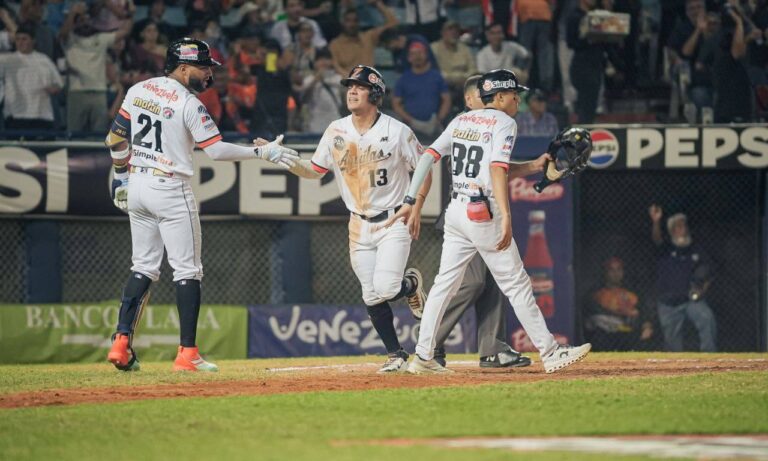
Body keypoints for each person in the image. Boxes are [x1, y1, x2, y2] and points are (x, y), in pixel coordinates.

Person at [105, 38, 300, 372]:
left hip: (137, 183)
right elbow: (216, 150)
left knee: (143, 267)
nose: (209, 73)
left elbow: (114, 139)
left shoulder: (138, 90)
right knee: (187, 270)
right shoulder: (188, 103)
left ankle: (121, 344)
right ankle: (187, 353)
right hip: (170, 186)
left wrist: (121, 177)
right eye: (204, 67)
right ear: (183, 67)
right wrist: (261, 153)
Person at [383, 69, 592, 374]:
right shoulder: (505, 122)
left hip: (457, 211)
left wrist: (411, 198)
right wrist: (507, 216)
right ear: (500, 96)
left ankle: (424, 356)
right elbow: (496, 170)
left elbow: (428, 156)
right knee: (517, 284)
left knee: (444, 285)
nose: (518, 100)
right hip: (484, 214)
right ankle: (550, 353)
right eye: (514, 94)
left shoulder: (462, 119)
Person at [280, 65, 430, 373]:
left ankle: (411, 285)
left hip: (393, 220)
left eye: (360, 87)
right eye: (350, 86)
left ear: (375, 94)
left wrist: (414, 205)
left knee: (388, 288)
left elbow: (425, 166)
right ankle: (396, 354)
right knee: (370, 292)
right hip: (358, 223)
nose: (351, 90)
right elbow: (314, 170)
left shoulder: (397, 130)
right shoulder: (336, 130)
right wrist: (286, 159)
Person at [426, 75, 535, 369]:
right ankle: (429, 338)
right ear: (470, 100)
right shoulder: (465, 124)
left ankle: (492, 348)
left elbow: (495, 170)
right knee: (473, 282)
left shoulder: (485, 123)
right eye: (478, 97)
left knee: (494, 283)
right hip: (467, 214)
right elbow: (490, 171)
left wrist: (535, 165)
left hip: (479, 212)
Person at [649, 204, 716, 352]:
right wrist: (656, 221)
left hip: (690, 301)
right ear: (672, 231)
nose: (682, 229)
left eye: (684, 225)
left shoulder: (695, 249)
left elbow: (710, 271)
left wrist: (703, 289)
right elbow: (656, 238)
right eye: (678, 226)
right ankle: (676, 369)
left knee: (706, 317)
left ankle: (710, 359)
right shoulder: (665, 248)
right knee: (672, 344)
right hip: (668, 303)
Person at [0, 24, 63, 131]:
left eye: (24, 39)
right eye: (18, 39)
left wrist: (54, 89)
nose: (20, 42)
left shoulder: (44, 60)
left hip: (41, 115)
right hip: (15, 115)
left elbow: (58, 83)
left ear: (33, 40)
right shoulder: (6, 60)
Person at [584, 257, 654, 351]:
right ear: (605, 272)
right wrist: (622, 312)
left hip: (628, 333)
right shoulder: (597, 293)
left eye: (619, 269)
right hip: (607, 333)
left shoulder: (632, 292)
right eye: (611, 270)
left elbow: (643, 312)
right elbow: (594, 315)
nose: (616, 273)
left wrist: (647, 326)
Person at [392, 41, 451, 139]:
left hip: (434, 127)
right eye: (413, 54)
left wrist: (439, 119)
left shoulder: (436, 76)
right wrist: (411, 121)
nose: (417, 56)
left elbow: (446, 99)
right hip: (411, 129)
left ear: (426, 55)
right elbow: (396, 104)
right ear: (409, 58)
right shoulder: (403, 79)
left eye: (420, 53)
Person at [328, 3, 398, 76]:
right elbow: (336, 67)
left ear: (359, 23)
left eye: (355, 20)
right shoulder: (335, 45)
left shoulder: (368, 37)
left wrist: (378, 4)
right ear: (342, 23)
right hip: (348, 83)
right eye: (348, 21)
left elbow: (393, 24)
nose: (352, 24)